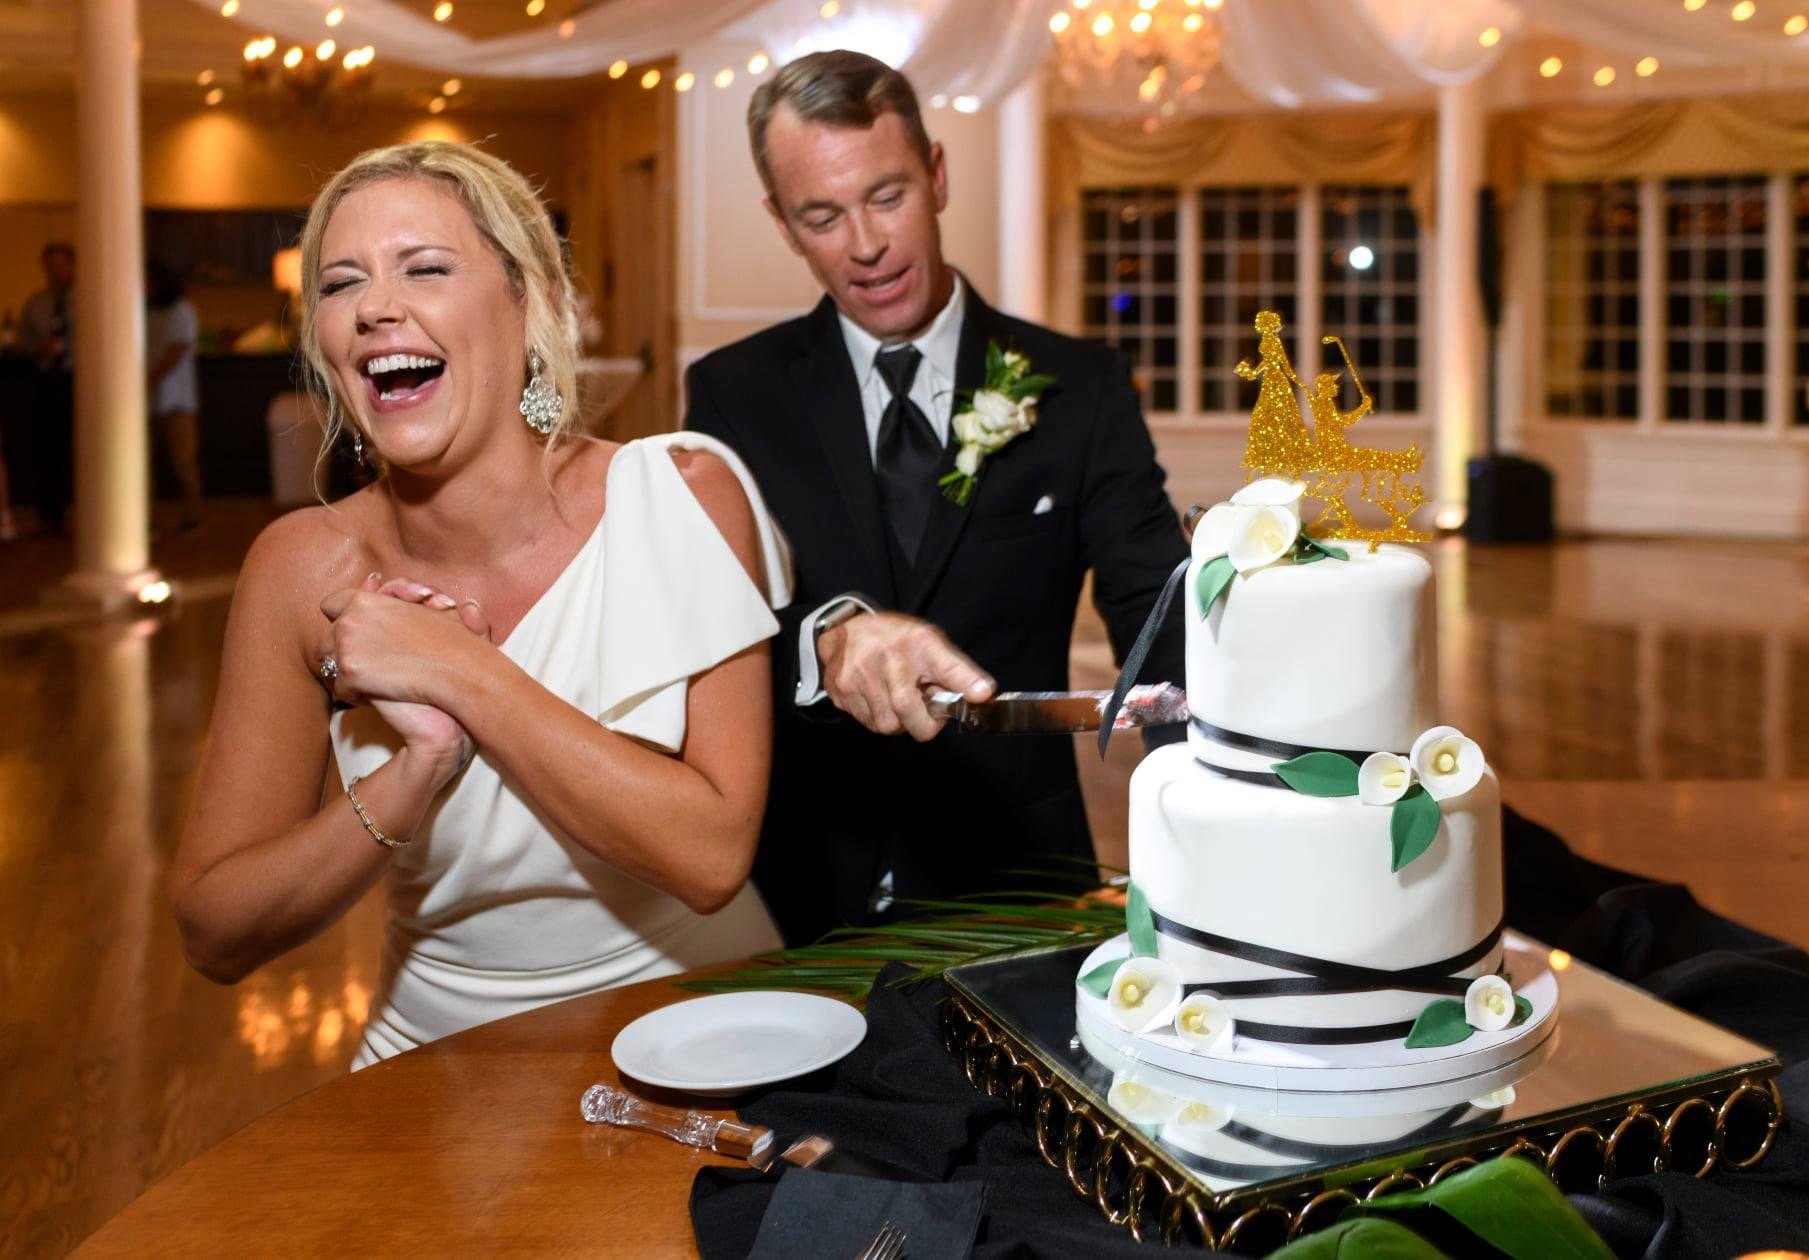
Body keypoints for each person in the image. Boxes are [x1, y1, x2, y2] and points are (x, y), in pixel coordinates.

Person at [171, 142, 787, 1067]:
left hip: (705, 1026)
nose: (376, 306)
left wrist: (461, 672)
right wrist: (414, 772)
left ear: (529, 303)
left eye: (424, 268)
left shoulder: (681, 496)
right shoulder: (300, 567)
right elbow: (214, 931)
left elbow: (710, 859)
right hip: (437, 1058)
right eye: (340, 283)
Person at [685, 52, 1188, 947]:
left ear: (938, 176)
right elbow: (710, 624)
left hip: (1016, 878)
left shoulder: (1081, 389)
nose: (865, 246)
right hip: (799, 886)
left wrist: (1226, 809)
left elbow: (1158, 620)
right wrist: (824, 642)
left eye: (887, 197)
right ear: (783, 225)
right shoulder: (733, 394)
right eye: (822, 216)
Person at [18, 242, 74, 535]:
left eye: (60, 265)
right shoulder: (36, 303)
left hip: (77, 381)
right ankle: (49, 516)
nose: (55, 272)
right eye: (50, 266)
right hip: (46, 381)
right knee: (46, 449)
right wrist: (39, 348)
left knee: (78, 450)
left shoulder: (88, 299)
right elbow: (22, 343)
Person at [146, 259, 206, 529]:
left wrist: (150, 379)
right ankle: (145, 522)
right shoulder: (144, 310)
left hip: (177, 399)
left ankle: (193, 517)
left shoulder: (182, 311)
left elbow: (178, 350)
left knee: (183, 462)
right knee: (143, 466)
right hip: (147, 400)